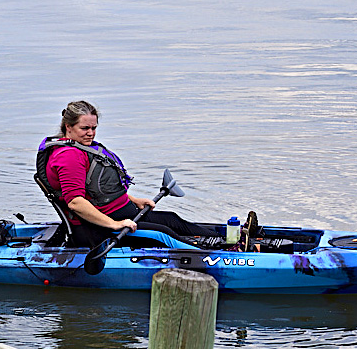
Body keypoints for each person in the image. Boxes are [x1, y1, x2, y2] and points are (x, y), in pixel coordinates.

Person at [36, 100, 221, 249]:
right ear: (68, 127)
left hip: (125, 213)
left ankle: (226, 239)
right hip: (101, 228)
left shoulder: (82, 148)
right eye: (85, 128)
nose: (91, 133)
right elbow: (75, 202)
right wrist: (114, 225)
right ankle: (217, 255)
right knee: (163, 234)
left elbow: (99, 191)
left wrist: (133, 200)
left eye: (94, 128)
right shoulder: (69, 156)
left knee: (172, 219)